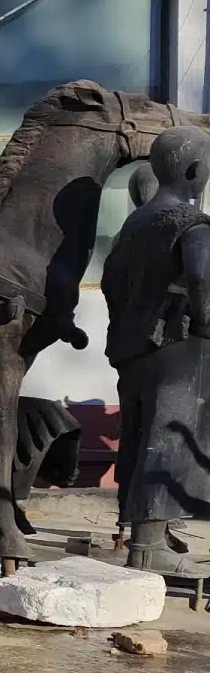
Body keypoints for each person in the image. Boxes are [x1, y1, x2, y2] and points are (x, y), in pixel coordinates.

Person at [102, 127, 210, 578]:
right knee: (172, 434)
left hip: (133, 348)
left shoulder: (133, 225)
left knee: (140, 433)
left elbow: (109, 282)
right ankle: (148, 547)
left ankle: (149, 533)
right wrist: (205, 321)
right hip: (178, 346)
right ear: (196, 169)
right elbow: (202, 279)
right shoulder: (192, 222)